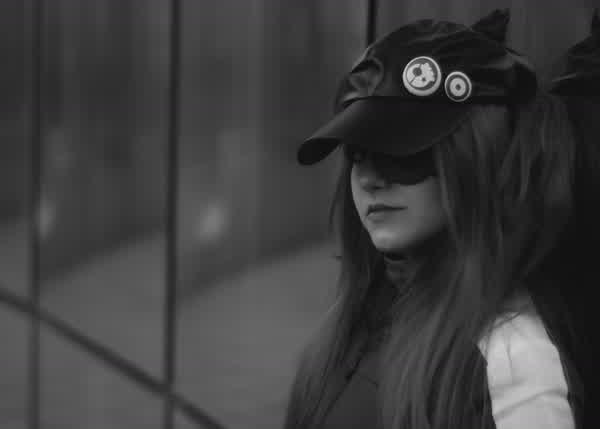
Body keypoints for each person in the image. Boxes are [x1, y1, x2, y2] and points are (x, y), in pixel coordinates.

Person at [285, 9, 583, 429]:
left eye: (403, 151)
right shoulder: (361, 314)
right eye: (358, 154)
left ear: (477, 159)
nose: (370, 179)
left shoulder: (514, 365)